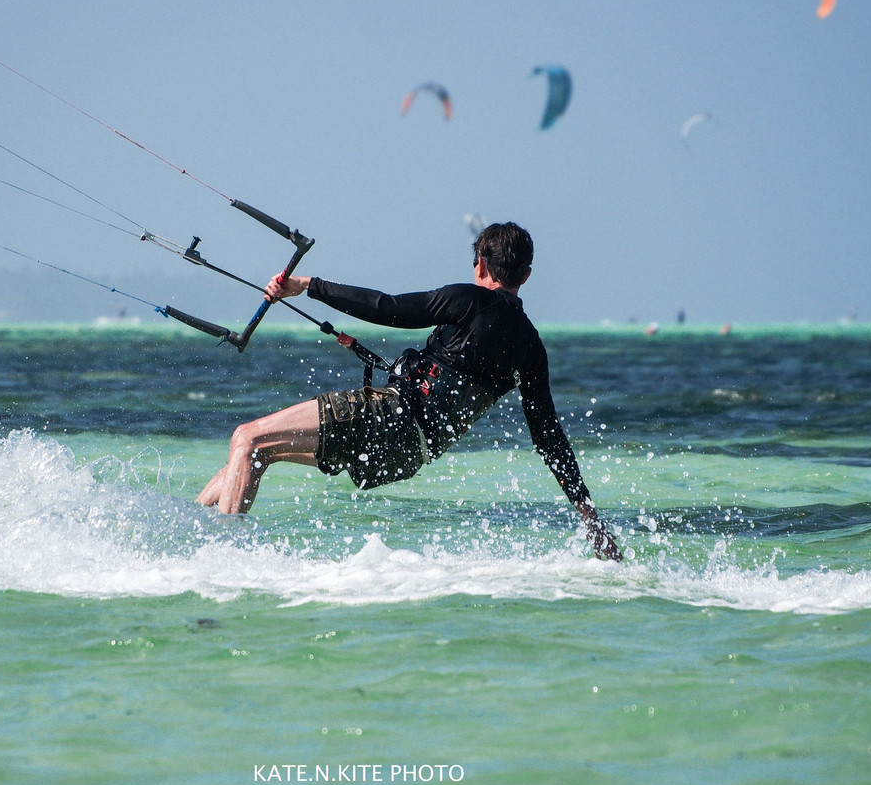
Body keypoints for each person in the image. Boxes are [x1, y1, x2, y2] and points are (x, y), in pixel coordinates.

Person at [196, 222, 621, 561]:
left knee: (248, 438)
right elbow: (549, 439)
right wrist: (588, 516)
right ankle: (193, 534)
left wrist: (308, 285)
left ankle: (222, 565)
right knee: (251, 450)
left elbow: (388, 308)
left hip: (390, 418)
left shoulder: (468, 299)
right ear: (526, 276)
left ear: (480, 266)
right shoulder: (531, 348)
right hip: (409, 454)